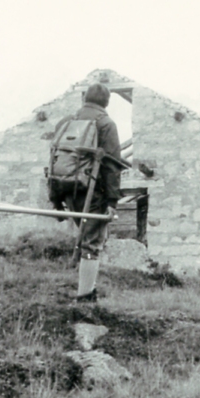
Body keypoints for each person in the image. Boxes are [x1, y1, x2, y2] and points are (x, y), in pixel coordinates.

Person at [53, 82, 122, 302]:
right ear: (107, 102)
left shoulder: (66, 122)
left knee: (89, 238)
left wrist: (55, 197)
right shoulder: (106, 124)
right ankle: (85, 297)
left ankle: (86, 288)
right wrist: (112, 200)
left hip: (67, 188)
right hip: (93, 192)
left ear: (85, 98)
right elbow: (112, 165)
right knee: (92, 243)